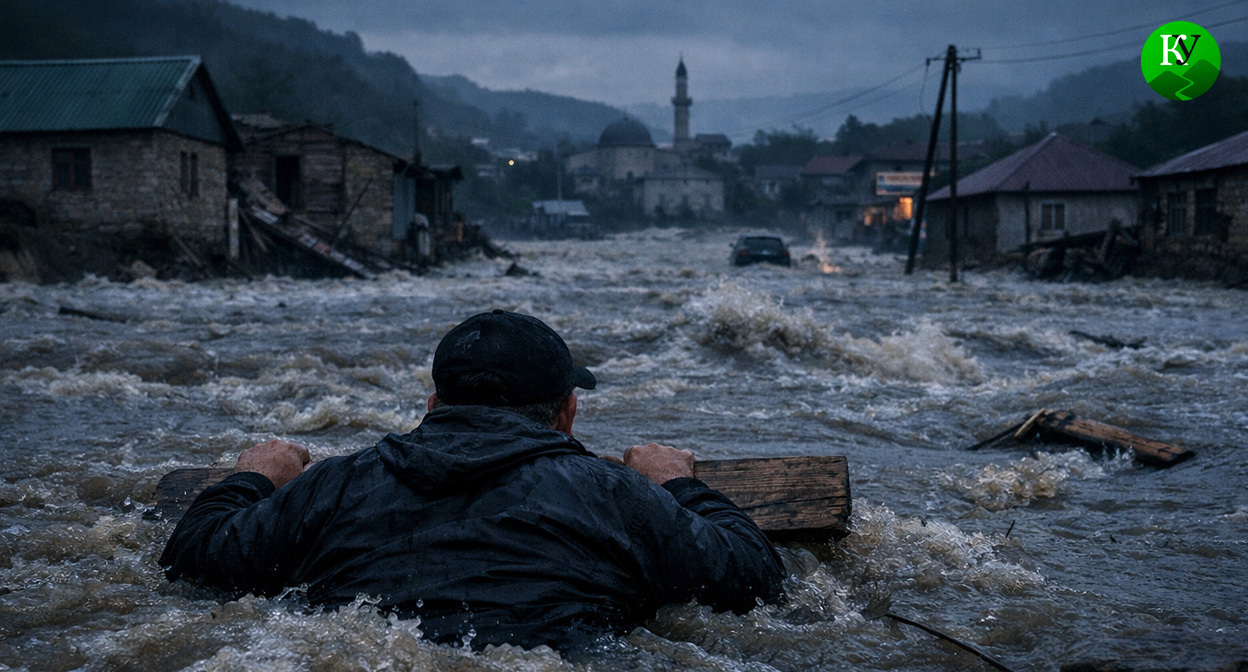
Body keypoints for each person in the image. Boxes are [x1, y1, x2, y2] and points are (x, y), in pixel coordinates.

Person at [160, 309, 786, 651]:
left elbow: (192, 564)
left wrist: (254, 477)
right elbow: (753, 581)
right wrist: (678, 484)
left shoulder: (336, 485)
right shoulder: (618, 493)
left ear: (432, 407)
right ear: (568, 413)